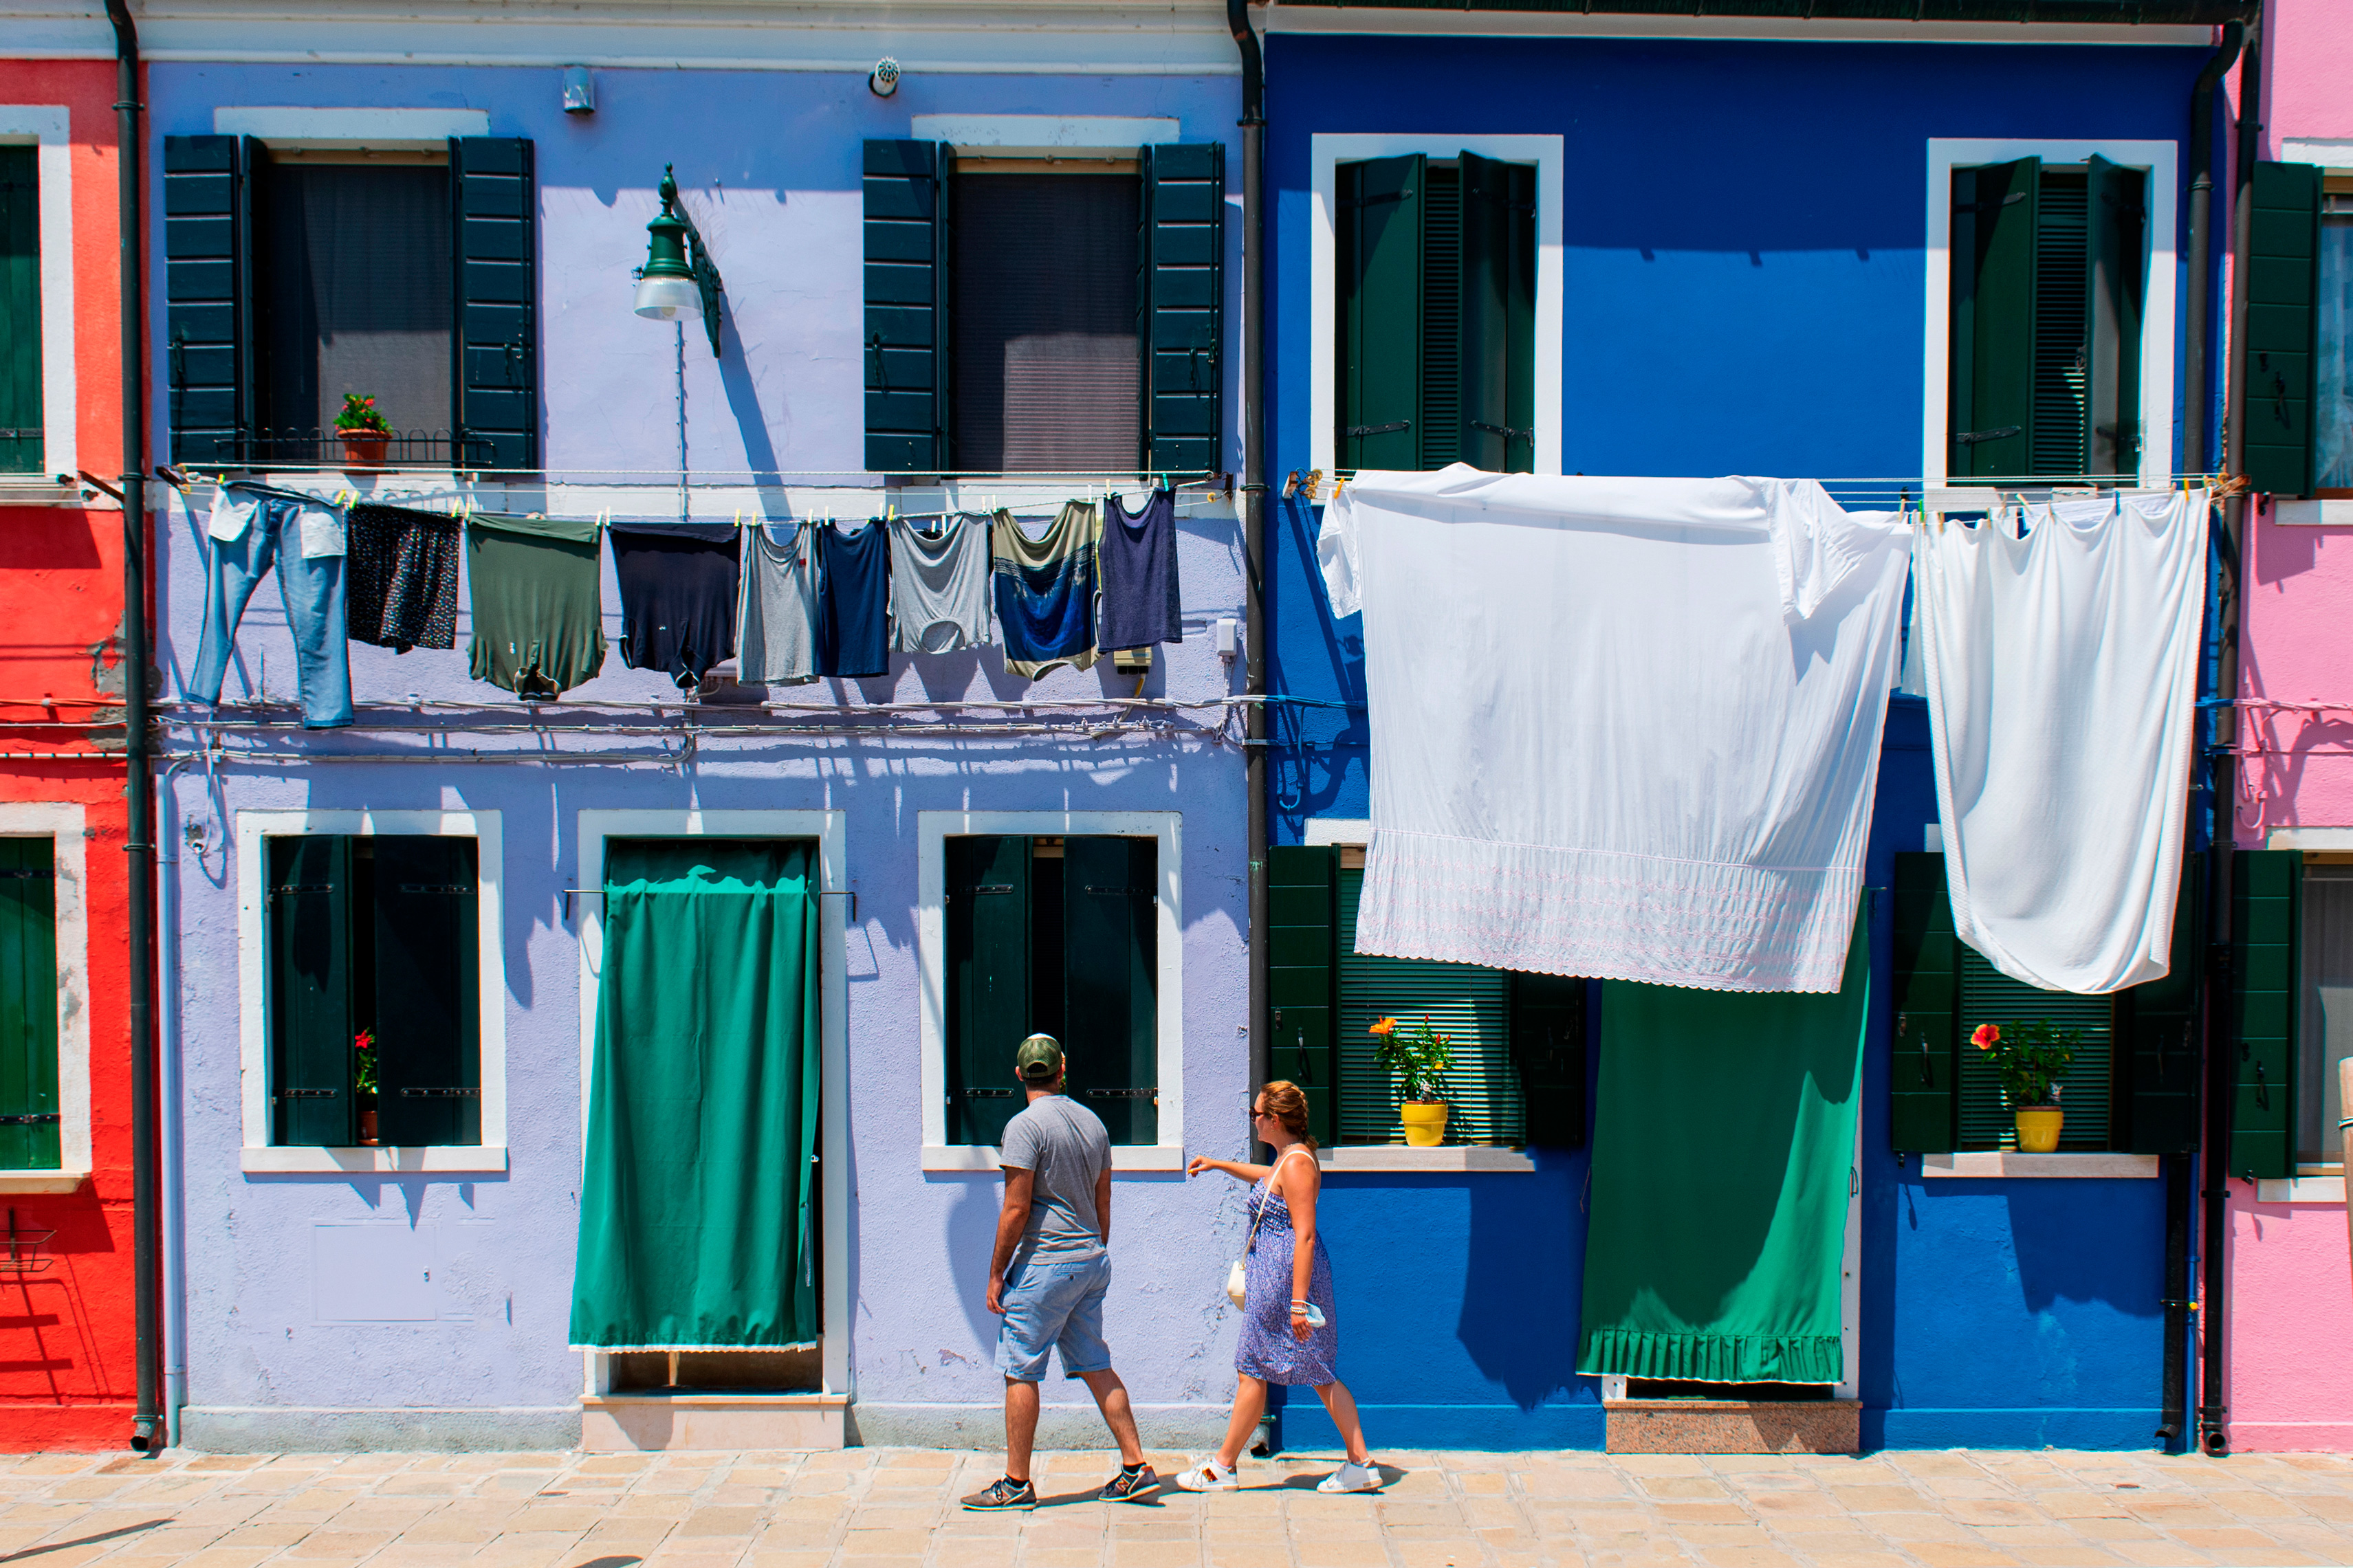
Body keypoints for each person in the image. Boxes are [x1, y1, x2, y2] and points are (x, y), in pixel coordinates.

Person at [961, 1033, 1158, 1510]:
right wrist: (1093, 1251)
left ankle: (1015, 1482)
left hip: (1047, 1263)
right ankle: (1137, 1466)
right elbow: (1103, 1198)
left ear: (1018, 1075)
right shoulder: (1093, 1122)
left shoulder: (1024, 1127)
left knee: (1019, 1367)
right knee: (1094, 1362)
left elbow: (1015, 1207)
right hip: (1090, 1258)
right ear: (1062, 1069)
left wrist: (995, 1273)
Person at [1178, 1080, 1380, 1494]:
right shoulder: (1289, 1160)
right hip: (1277, 1283)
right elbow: (1269, 1179)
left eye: (1256, 1114)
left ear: (1273, 1120)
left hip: (1287, 1285)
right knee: (1312, 1371)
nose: (1252, 1121)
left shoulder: (1299, 1163)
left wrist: (1299, 1303)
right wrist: (1219, 1164)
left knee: (1256, 1370)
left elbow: (1305, 1234)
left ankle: (1223, 1468)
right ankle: (1360, 1463)